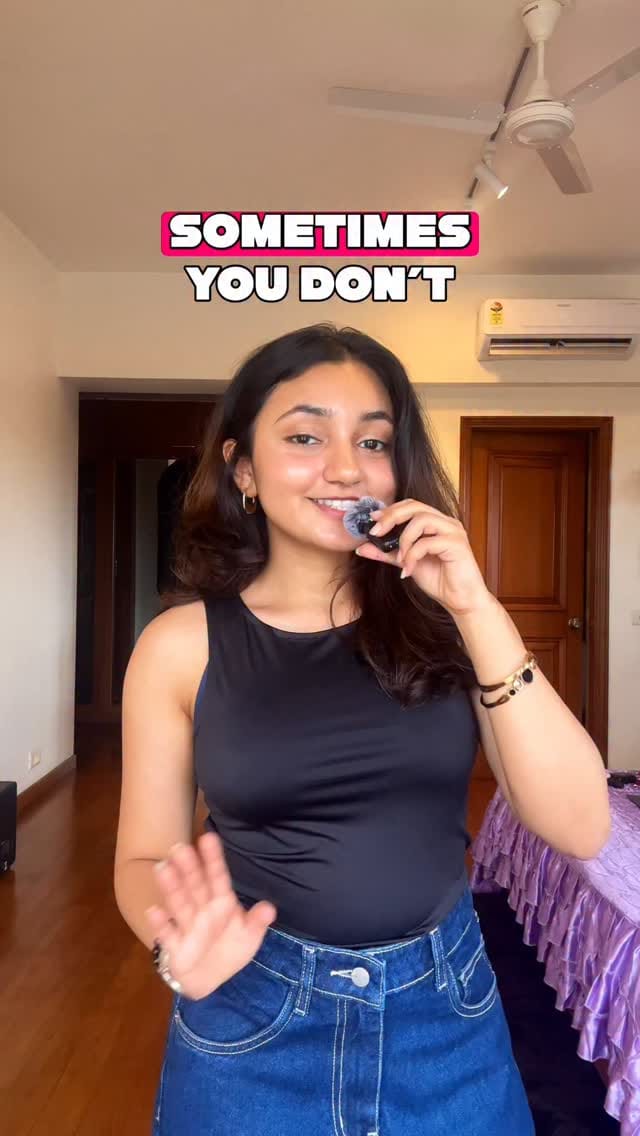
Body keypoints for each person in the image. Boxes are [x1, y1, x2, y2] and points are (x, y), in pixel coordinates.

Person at [113, 323, 610, 1136]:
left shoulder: (450, 625)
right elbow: (142, 857)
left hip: (444, 1018)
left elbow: (582, 823)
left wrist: (476, 606)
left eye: (373, 442)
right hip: (254, 1015)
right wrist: (175, 946)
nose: (346, 468)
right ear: (243, 468)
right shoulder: (179, 647)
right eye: (305, 436)